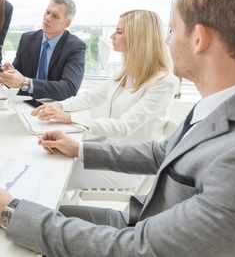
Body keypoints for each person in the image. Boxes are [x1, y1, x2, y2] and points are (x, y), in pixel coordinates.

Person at [0, 0, 235, 256]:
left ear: (199, 38)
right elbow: (162, 154)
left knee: (21, 213)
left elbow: (136, 249)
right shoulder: (218, 106)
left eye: (172, 31)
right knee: (33, 200)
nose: (167, 41)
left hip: (138, 238)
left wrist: (11, 215)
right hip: (140, 223)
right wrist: (78, 149)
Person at [32, 10, 178, 189]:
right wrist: (58, 106)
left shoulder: (163, 82)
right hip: (107, 150)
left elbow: (125, 127)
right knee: (48, 158)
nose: (112, 35)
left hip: (128, 166)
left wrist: (70, 117)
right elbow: (92, 96)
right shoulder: (126, 72)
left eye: (119, 31)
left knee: (51, 173)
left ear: (139, 38)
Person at [0, 0, 85, 101]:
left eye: (55, 16)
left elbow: (69, 88)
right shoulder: (27, 39)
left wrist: (25, 83)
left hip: (54, 107)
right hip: (25, 103)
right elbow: (18, 74)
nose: (47, 18)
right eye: (47, 12)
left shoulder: (75, 47)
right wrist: (6, 76)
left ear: (67, 23)